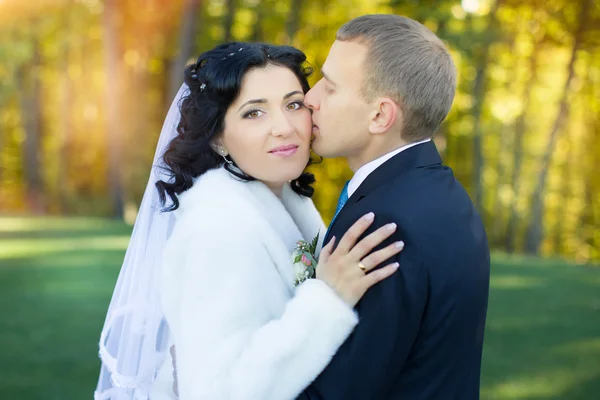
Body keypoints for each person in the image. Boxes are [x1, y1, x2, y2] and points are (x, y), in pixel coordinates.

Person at [95, 42, 404, 400]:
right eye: (254, 113)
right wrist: (328, 299)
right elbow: (218, 391)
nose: (284, 127)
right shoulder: (219, 226)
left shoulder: (287, 200)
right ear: (218, 138)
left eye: (293, 105)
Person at [294, 14, 491, 399]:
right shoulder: (446, 195)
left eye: (330, 88)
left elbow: (338, 392)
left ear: (381, 115)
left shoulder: (382, 225)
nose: (310, 98)